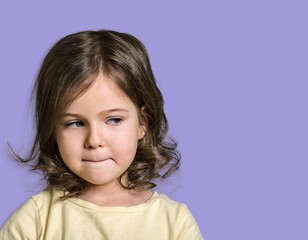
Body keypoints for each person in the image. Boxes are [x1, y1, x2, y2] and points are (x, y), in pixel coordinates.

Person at [0, 30, 203, 240]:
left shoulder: (174, 223)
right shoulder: (36, 220)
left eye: (114, 120)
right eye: (76, 123)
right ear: (52, 129)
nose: (94, 141)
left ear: (143, 123)